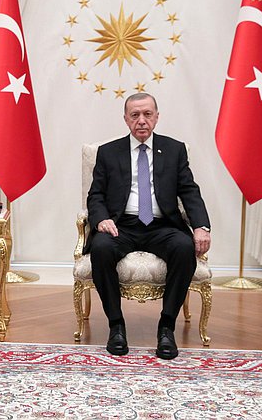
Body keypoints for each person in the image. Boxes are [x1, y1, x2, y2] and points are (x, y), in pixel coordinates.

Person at [86, 93, 211, 360]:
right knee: (101, 248)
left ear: (156, 116)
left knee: (182, 246)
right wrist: (101, 219)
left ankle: (166, 327)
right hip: (122, 225)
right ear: (126, 119)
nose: (141, 121)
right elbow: (95, 195)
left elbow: (189, 191)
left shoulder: (175, 149)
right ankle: (116, 326)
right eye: (135, 115)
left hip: (161, 224)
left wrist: (201, 226)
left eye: (147, 114)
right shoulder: (108, 152)